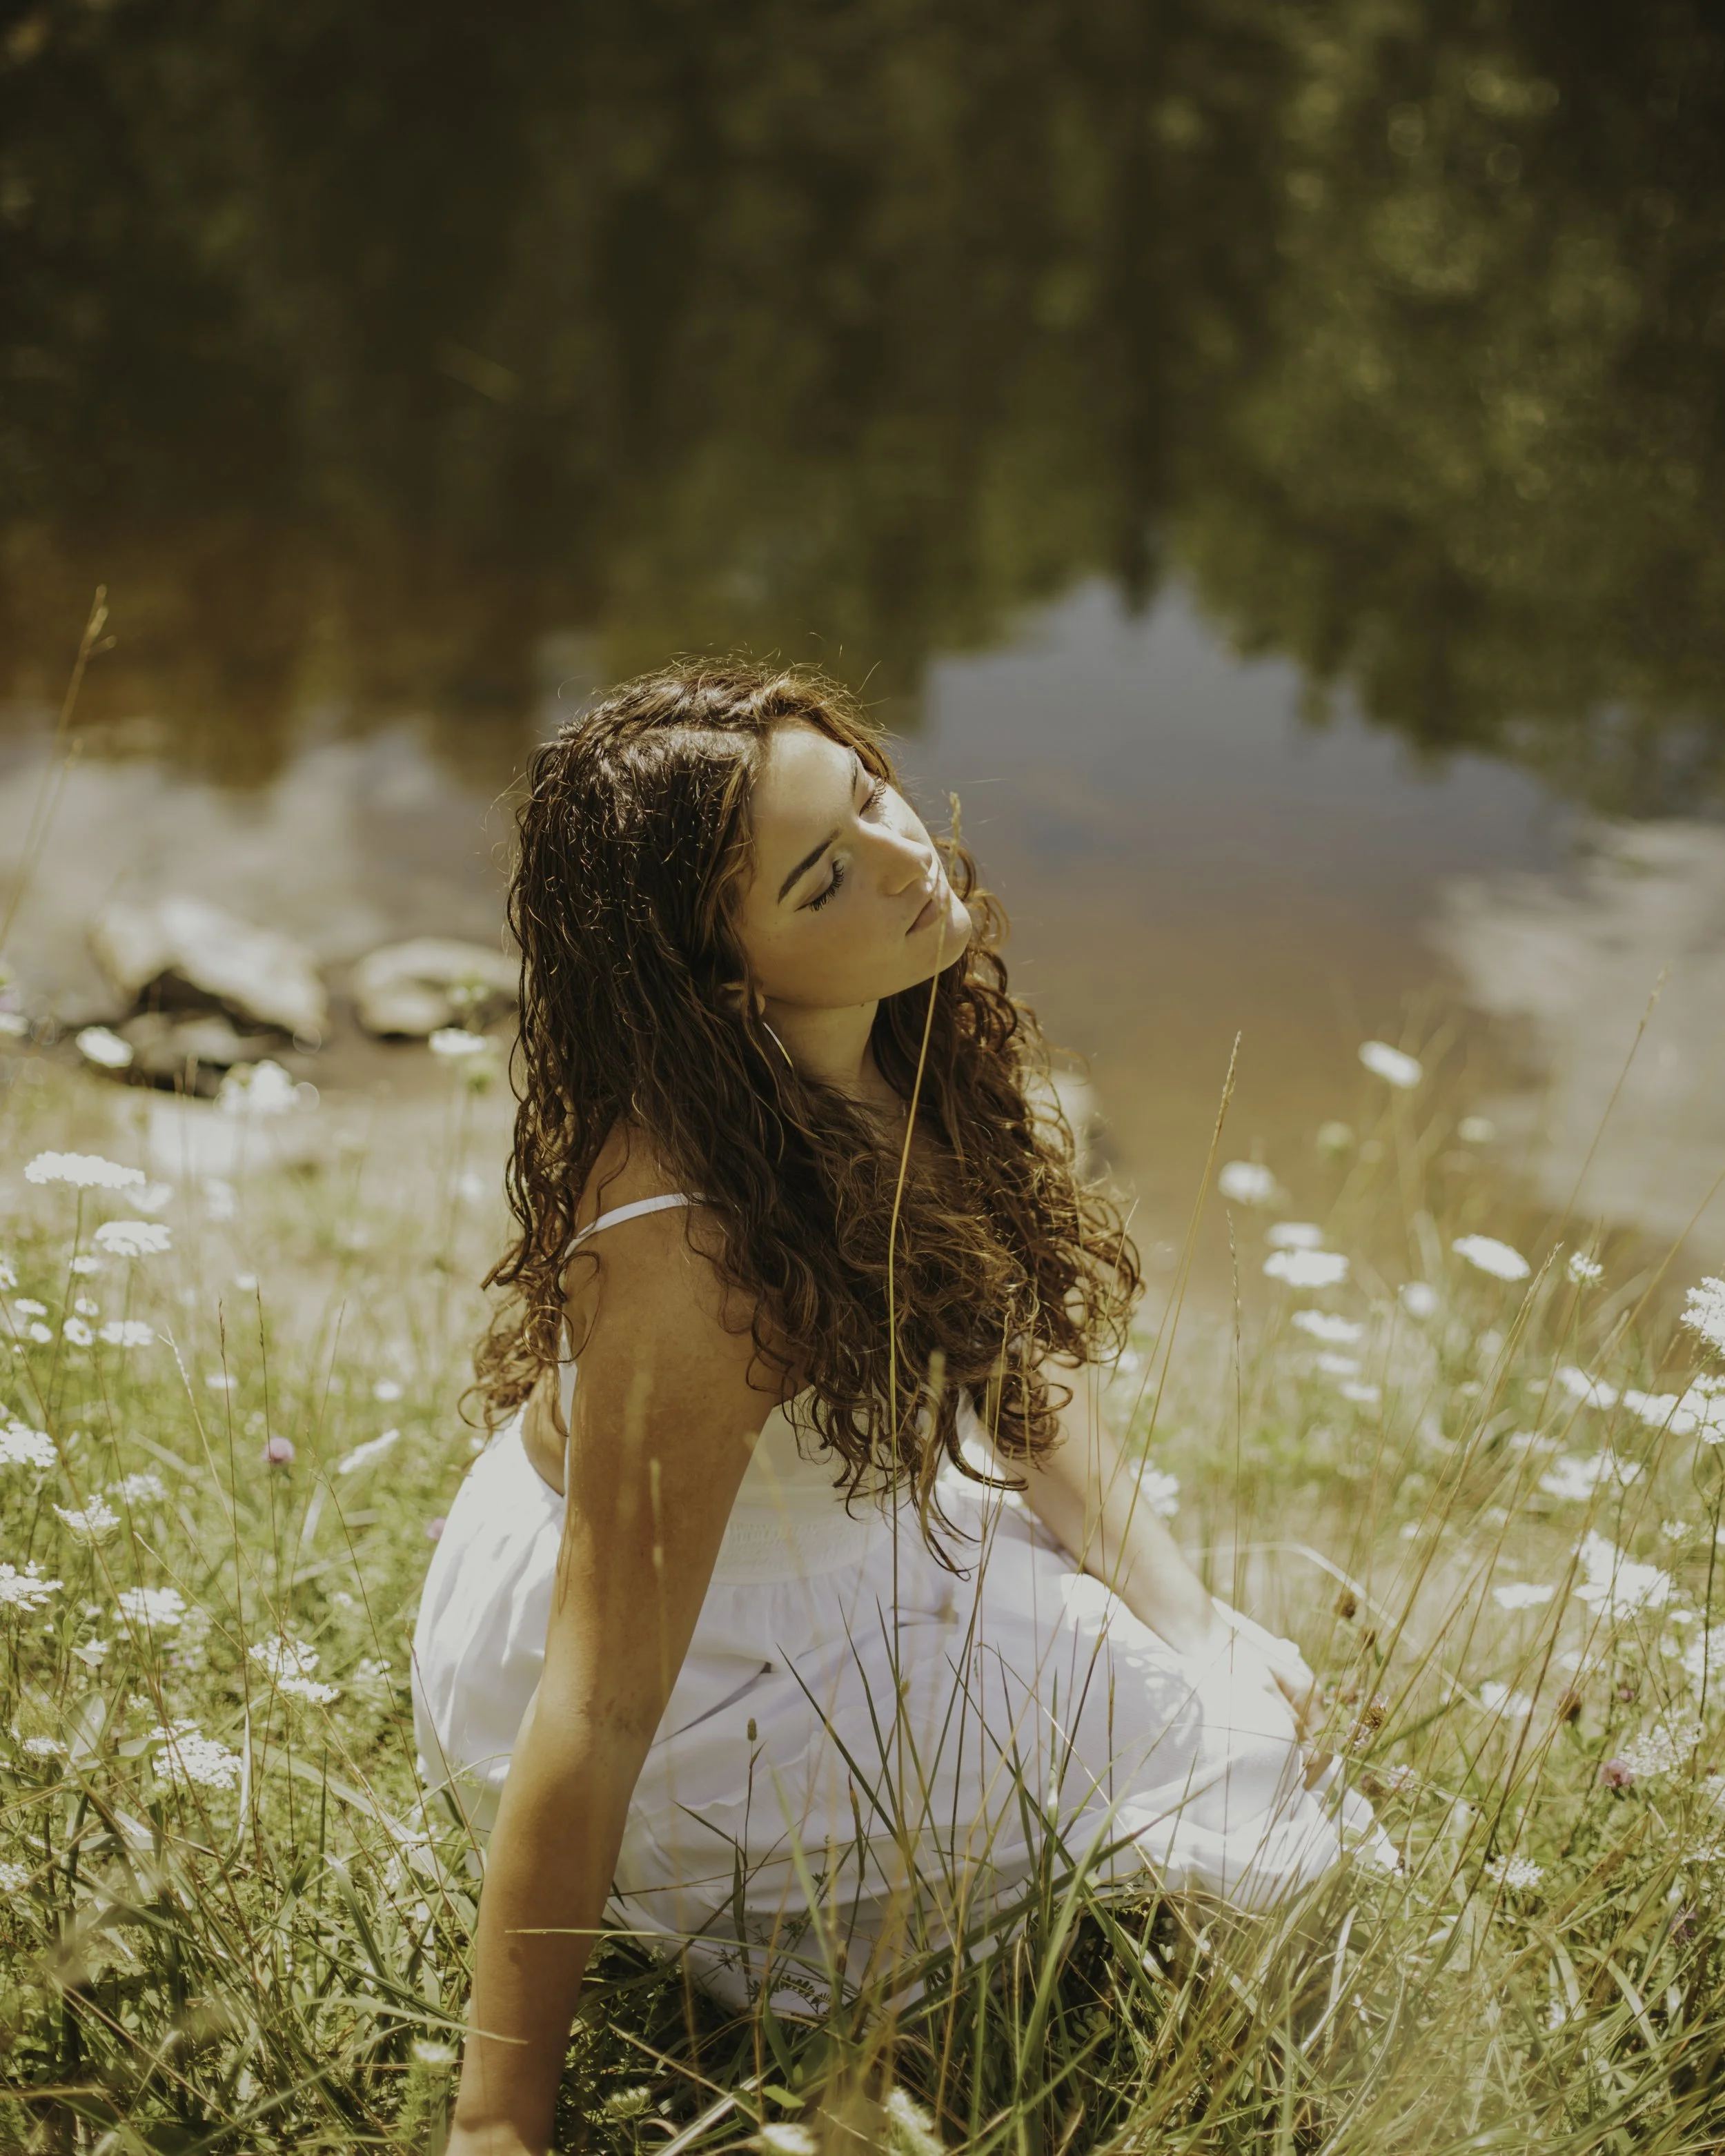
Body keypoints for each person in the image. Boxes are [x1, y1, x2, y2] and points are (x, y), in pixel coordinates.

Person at [411, 661, 1386, 2156]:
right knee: (1260, 1784)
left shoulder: (874, 1031)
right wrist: (495, 2120)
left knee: (1236, 1695)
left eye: (868, 792)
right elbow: (597, 1705)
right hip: (691, 1686)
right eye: (824, 874)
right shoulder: (695, 1257)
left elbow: (1009, 1365)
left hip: (795, 1554)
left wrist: (1194, 1620)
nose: (904, 853)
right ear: (726, 977)